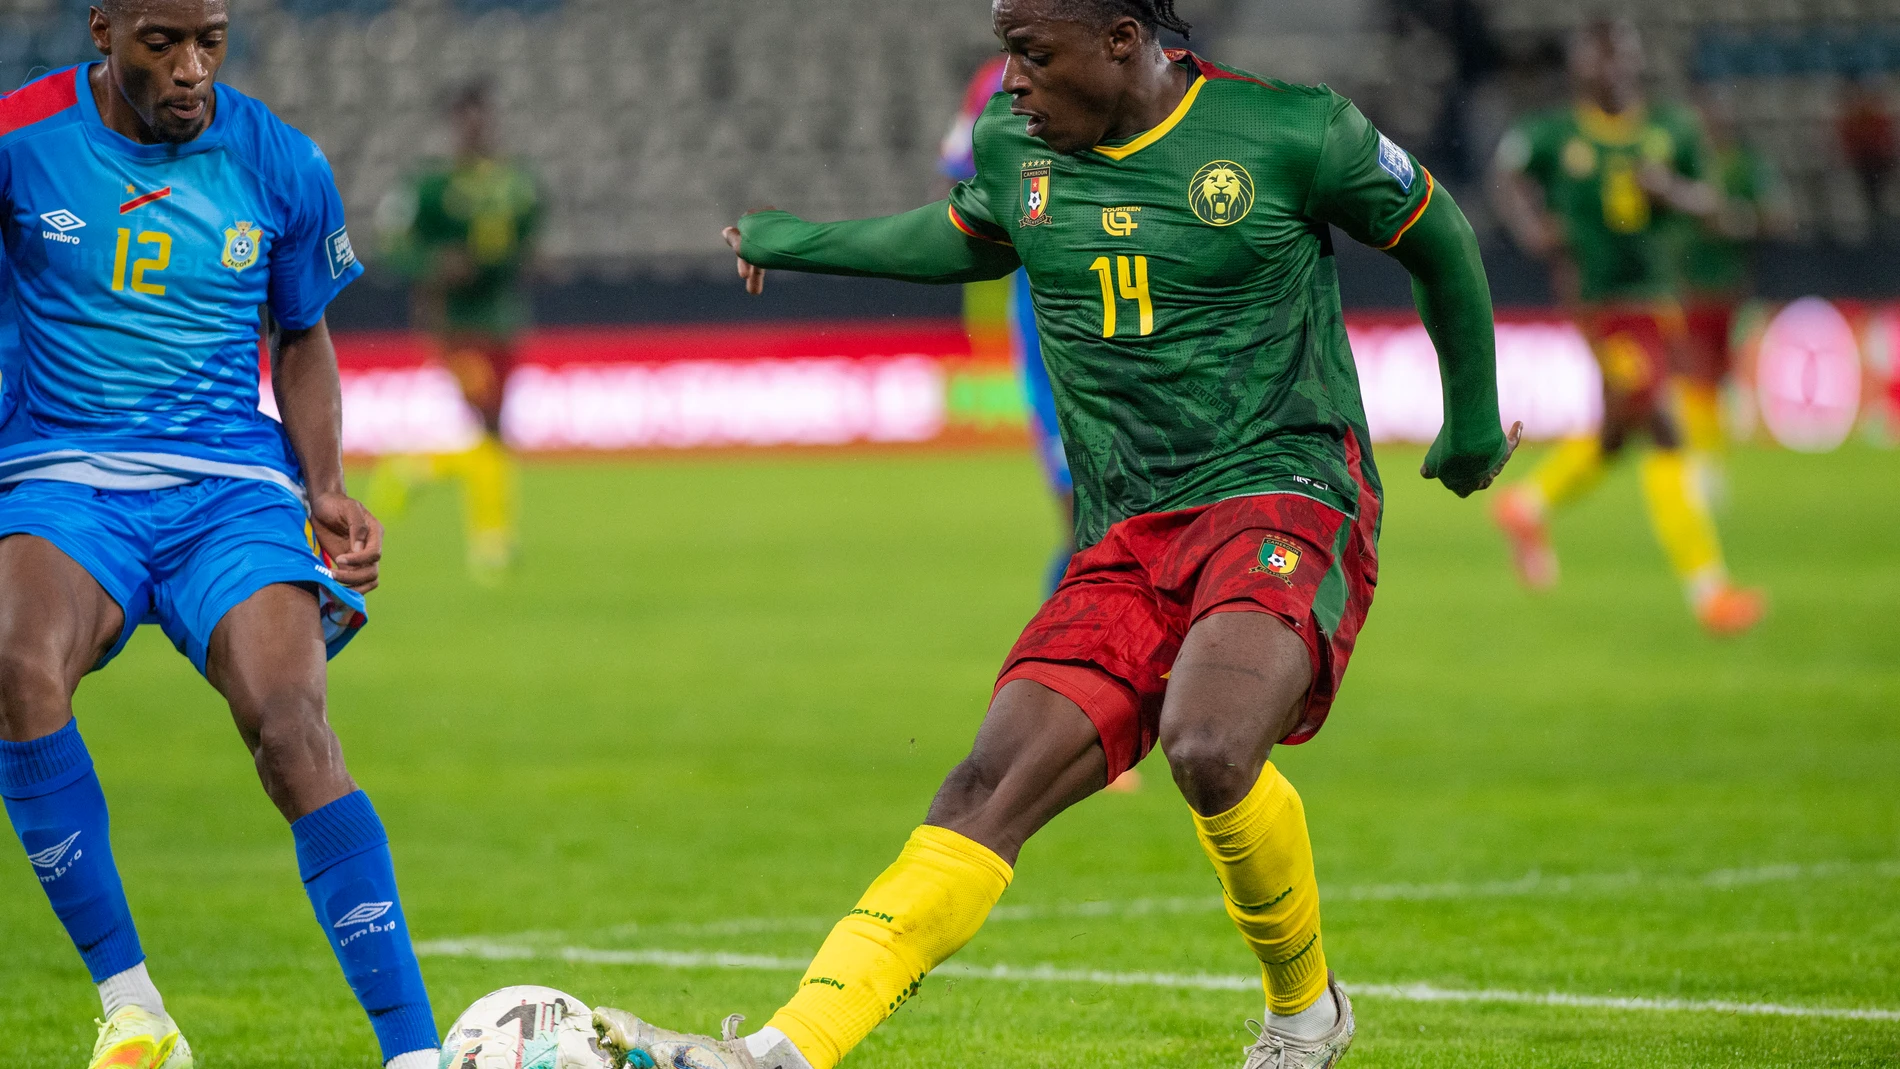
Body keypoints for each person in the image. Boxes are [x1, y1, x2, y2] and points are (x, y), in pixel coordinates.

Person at [593, 1, 1518, 1067]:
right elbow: (968, 234)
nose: (1011, 82)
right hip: (1125, 528)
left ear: (1123, 40)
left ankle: (1302, 1012)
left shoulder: (1296, 132)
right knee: (983, 786)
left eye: (1031, 55)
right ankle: (776, 1052)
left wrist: (1473, 419)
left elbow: (1438, 234)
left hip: (1282, 488)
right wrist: (796, 240)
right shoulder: (1015, 144)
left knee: (1208, 745)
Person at [0, 4, 437, 1068]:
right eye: (162, 42)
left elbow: (303, 333)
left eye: (212, 39)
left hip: (227, 489)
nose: (192, 68)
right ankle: (135, 1007)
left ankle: (416, 1054)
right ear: (102, 30)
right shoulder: (19, 139)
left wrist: (325, 485)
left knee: (291, 726)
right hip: (63, 477)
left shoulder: (280, 160)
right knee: (15, 664)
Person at [1490, 18, 1764, 635]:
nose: (1611, 69)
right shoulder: (1555, 135)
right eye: (1598, 57)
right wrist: (1532, 226)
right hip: (1601, 306)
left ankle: (1528, 505)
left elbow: (1713, 204)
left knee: (1619, 434)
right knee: (1663, 424)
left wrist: (1672, 193)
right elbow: (1506, 172)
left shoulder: (1671, 130)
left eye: (1622, 57)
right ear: (1580, 66)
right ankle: (1710, 594)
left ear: (1638, 62)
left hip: (1659, 301)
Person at [370, 80, 541, 581]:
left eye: (482, 115)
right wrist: (434, 266)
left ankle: (414, 470)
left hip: (503, 321)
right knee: (487, 426)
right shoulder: (430, 188)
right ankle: (492, 546)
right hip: (456, 325)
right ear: (454, 124)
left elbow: (529, 239)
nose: (476, 126)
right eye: (466, 117)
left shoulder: (515, 183)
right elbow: (394, 247)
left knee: (495, 433)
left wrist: (516, 260)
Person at [942, 55, 1077, 597]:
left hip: (1145, 295)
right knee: (1084, 518)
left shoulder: (1142, 71)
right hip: (1048, 308)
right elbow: (956, 173)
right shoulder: (992, 83)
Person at [1675, 87, 1792, 472]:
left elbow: (1774, 216)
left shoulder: (1744, 165)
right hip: (1687, 285)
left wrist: (1737, 222)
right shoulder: (1682, 166)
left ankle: (1712, 451)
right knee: (1696, 370)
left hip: (1729, 285)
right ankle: (1701, 456)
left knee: (1721, 371)